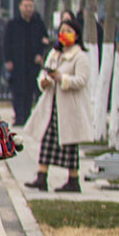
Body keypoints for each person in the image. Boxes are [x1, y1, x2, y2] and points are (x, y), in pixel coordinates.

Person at [23, 18, 98, 193]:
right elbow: (44, 73)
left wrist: (61, 79)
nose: (64, 34)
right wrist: (45, 81)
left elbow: (81, 80)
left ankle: (73, 180)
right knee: (47, 140)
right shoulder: (54, 54)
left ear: (76, 35)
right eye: (62, 30)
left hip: (70, 108)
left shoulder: (80, 57)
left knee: (70, 144)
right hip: (53, 105)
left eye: (69, 31)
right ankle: (42, 176)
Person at [6, 0, 48, 126]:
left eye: (30, 6)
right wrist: (8, 60)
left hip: (32, 64)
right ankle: (19, 117)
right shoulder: (13, 24)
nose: (28, 9)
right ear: (20, 7)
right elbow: (6, 43)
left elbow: (44, 41)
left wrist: (40, 54)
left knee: (30, 91)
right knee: (18, 91)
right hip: (17, 62)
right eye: (25, 6)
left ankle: (27, 117)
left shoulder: (38, 24)